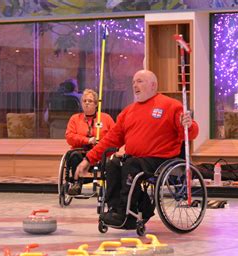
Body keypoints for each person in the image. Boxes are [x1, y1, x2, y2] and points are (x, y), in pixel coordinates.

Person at [74, 69, 199, 226]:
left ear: (153, 85)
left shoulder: (171, 105)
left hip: (161, 159)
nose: (135, 85)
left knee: (131, 165)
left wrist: (189, 125)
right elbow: (110, 139)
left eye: (140, 81)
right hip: (136, 159)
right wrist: (88, 160)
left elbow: (189, 134)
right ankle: (118, 209)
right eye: (133, 82)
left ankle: (128, 214)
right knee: (112, 163)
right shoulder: (128, 111)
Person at [65, 88, 115, 178]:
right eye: (84, 101)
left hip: (100, 153)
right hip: (80, 151)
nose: (87, 103)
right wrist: (87, 140)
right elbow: (69, 137)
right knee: (74, 155)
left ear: (96, 104)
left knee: (111, 162)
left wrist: (103, 143)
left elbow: (114, 135)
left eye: (90, 101)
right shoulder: (75, 119)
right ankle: (77, 182)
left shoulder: (106, 118)